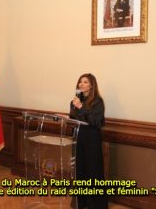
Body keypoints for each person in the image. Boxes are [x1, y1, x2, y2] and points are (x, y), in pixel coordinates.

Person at [70, 73, 107, 209]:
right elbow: (73, 118)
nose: (82, 84)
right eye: (80, 82)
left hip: (92, 140)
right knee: (79, 171)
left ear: (92, 85)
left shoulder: (98, 102)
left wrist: (81, 107)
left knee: (92, 171)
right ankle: (81, 203)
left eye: (85, 82)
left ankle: (95, 205)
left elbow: (95, 122)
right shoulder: (75, 100)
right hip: (78, 138)